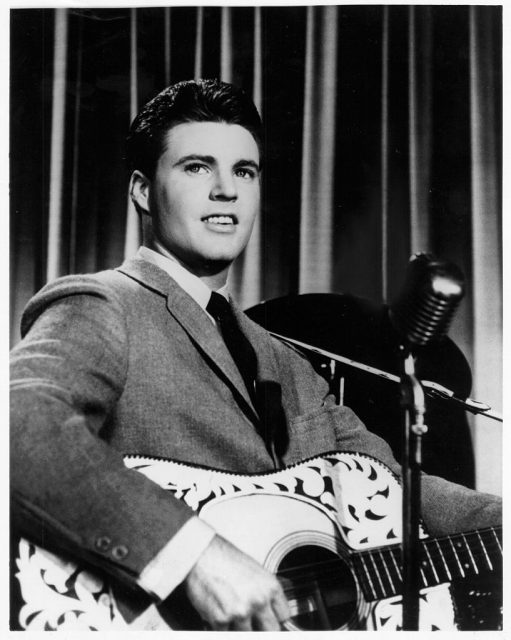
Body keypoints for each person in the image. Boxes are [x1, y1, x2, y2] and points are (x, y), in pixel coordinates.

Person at [10, 79, 501, 631]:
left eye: (244, 171)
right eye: (197, 167)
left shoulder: (288, 361)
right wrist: (193, 556)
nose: (227, 190)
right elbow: (19, 430)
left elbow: (393, 482)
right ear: (143, 191)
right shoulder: (104, 304)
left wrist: (501, 520)